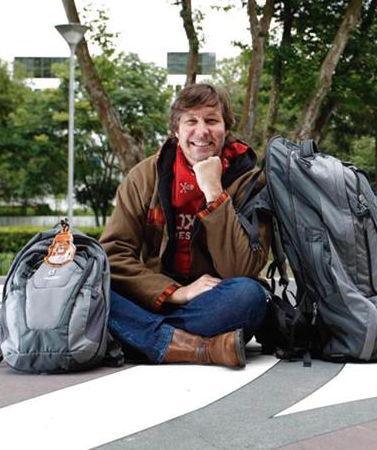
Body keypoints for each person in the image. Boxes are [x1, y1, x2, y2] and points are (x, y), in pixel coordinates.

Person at [100, 83, 268, 368]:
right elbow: (113, 255)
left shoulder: (251, 181)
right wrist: (175, 292)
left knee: (249, 295)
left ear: (226, 129)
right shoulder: (144, 176)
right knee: (91, 288)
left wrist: (215, 194)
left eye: (212, 121)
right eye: (191, 121)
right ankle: (198, 347)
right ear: (176, 130)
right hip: (155, 298)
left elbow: (243, 268)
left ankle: (142, 335)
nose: (201, 131)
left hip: (211, 303)